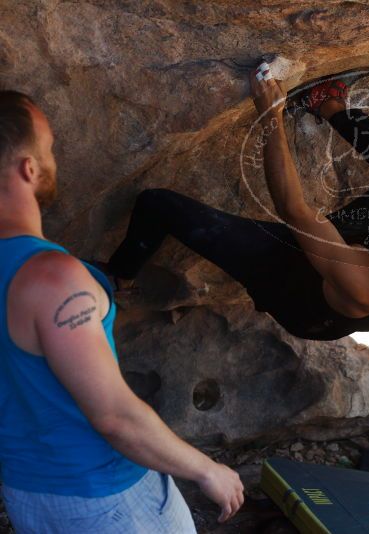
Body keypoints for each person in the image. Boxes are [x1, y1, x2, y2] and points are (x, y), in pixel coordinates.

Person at [105, 45, 369, 341]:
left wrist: (270, 116)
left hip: (288, 276)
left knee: (156, 205)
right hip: (365, 246)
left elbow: (295, 210)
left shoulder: (366, 287)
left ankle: (116, 278)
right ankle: (327, 103)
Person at [0, 90, 244, 533]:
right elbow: (113, 416)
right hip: (104, 496)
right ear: (29, 168)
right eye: (49, 147)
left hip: (28, 491)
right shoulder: (53, 278)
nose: (55, 158)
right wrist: (208, 469)